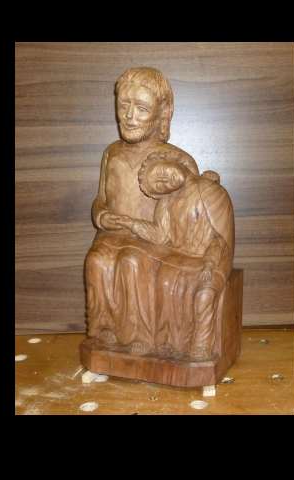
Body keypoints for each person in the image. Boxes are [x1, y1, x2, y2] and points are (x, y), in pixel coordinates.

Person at [84, 67, 199, 355]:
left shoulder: (178, 160)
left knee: (131, 262)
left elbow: (190, 217)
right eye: (124, 105)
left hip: (154, 241)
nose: (129, 116)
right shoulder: (111, 153)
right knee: (96, 261)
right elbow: (100, 199)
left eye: (142, 108)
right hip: (112, 235)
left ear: (162, 113)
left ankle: (141, 335)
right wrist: (101, 216)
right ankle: (105, 329)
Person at [115, 151, 234, 359]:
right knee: (160, 281)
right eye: (159, 185)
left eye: (160, 172)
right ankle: (164, 342)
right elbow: (159, 236)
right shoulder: (166, 203)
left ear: (173, 161)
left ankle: (200, 346)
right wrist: (130, 223)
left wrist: (210, 262)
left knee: (204, 294)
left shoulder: (210, 191)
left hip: (210, 259)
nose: (164, 180)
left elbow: (219, 239)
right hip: (179, 260)